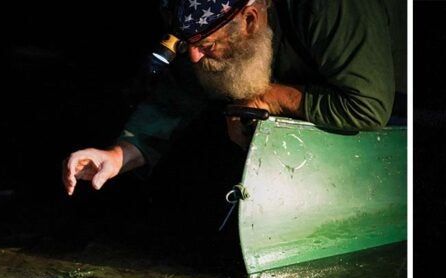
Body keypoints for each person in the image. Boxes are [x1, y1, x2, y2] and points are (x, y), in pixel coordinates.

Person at [62, 0, 405, 196]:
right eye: (187, 45)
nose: (195, 58)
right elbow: (180, 90)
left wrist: (268, 97)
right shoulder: (212, 23)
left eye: (205, 46)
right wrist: (121, 153)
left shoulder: (330, 9)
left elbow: (368, 105)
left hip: (396, 92)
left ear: (251, 18)